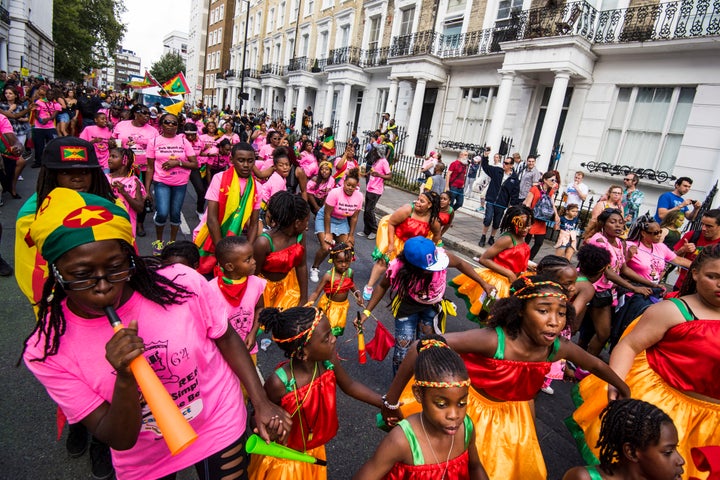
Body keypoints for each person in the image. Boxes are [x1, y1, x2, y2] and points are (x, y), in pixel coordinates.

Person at [21, 187, 291, 480]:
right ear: (56, 271)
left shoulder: (182, 282)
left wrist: (262, 402)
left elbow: (225, 337)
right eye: (82, 274)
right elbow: (119, 438)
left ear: (130, 259)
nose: (103, 286)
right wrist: (125, 378)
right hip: (146, 458)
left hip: (218, 420)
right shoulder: (46, 348)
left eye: (115, 268)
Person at [382, 275, 631, 480]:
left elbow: (597, 364)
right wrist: (390, 401)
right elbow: (420, 346)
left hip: (515, 419)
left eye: (562, 313)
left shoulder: (557, 347)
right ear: (521, 312)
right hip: (473, 412)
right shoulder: (493, 340)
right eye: (543, 311)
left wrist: (623, 388)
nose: (554, 322)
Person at [569, 244, 720, 479]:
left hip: (712, 423)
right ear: (696, 273)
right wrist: (615, 383)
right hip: (664, 409)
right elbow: (629, 345)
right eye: (713, 277)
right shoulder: (674, 311)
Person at [249, 306, 382, 479]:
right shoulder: (279, 383)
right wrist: (270, 429)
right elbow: (257, 415)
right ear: (303, 353)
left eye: (331, 333)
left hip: (314, 451)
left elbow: (349, 385)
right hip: (286, 460)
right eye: (326, 338)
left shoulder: (328, 360)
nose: (334, 340)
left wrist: (385, 402)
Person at [353, 336, 490, 480]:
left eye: (461, 403)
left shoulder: (466, 428)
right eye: (442, 405)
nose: (454, 415)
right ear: (418, 394)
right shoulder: (402, 440)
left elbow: (475, 467)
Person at [360, 236, 492, 374]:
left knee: (428, 349)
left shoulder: (442, 257)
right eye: (427, 269)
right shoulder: (398, 266)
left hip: (432, 309)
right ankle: (399, 389)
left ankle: (422, 383)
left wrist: (484, 283)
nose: (431, 270)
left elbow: (461, 264)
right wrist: (366, 312)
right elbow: (382, 286)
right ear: (412, 266)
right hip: (408, 309)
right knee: (402, 352)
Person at [15, 136, 116, 307]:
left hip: (110, 296)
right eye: (65, 172)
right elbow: (34, 273)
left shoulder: (111, 206)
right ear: (50, 175)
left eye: (85, 172)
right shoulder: (31, 217)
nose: (77, 178)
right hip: (62, 304)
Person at [581, 209, 652, 357]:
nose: (618, 225)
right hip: (592, 289)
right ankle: (581, 365)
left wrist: (651, 284)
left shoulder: (620, 243)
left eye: (620, 222)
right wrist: (633, 288)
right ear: (603, 224)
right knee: (600, 332)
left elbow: (623, 268)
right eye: (612, 222)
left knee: (589, 329)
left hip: (607, 291)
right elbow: (608, 271)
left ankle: (580, 361)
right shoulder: (599, 241)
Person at [563, 399, 684, 480]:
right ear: (631, 452)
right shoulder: (584, 478)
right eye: (668, 452)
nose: (681, 460)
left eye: (676, 449)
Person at [453, 205, 533, 323]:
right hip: (499, 284)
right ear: (513, 223)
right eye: (523, 225)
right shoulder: (507, 239)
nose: (526, 229)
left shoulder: (522, 237)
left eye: (529, 225)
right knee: (490, 319)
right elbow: (484, 259)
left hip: (514, 282)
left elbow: (515, 256)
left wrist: (529, 264)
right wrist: (509, 273)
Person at [194, 142, 261, 274]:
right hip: (210, 238)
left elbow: (253, 224)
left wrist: (248, 249)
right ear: (231, 160)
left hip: (233, 245)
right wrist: (222, 251)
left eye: (250, 161)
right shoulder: (219, 179)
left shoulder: (257, 187)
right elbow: (212, 219)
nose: (246, 165)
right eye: (241, 160)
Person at [362, 191, 442, 301]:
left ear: (429, 205)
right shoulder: (408, 210)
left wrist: (432, 246)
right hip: (397, 239)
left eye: (422, 201)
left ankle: (405, 292)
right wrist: (390, 244)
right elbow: (391, 223)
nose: (417, 202)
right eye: (418, 199)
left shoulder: (432, 220)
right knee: (383, 261)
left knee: (410, 269)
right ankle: (369, 286)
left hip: (413, 247)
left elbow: (437, 234)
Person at [145, 113, 198, 255]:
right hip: (161, 181)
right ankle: (159, 241)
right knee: (162, 212)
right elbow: (149, 167)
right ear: (161, 124)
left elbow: (195, 164)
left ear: (178, 126)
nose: (170, 125)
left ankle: (172, 242)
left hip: (180, 183)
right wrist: (147, 189)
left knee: (175, 213)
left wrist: (178, 162)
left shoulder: (184, 141)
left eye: (174, 123)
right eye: (167, 122)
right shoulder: (154, 142)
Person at [208, 236, 265, 361]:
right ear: (229, 266)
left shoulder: (256, 284)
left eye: (253, 257)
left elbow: (260, 307)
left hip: (248, 348)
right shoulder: (211, 290)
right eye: (248, 259)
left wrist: (253, 333)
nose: (254, 261)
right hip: (222, 353)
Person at [254, 191, 309, 310]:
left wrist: (304, 298)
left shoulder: (300, 236)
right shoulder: (264, 243)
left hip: (289, 288)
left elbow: (302, 266)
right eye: (306, 221)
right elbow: (253, 278)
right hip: (264, 291)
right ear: (297, 223)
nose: (307, 224)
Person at [112, 104, 160, 237]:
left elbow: (154, 151)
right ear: (135, 114)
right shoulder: (122, 125)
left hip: (143, 168)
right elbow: (114, 142)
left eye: (148, 114)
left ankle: (140, 223)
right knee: (120, 193)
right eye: (143, 113)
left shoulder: (153, 131)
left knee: (142, 195)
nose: (146, 116)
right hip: (123, 168)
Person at [310, 168, 363, 282]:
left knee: (347, 247)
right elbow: (327, 214)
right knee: (326, 247)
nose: (350, 188)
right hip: (325, 218)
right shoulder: (335, 193)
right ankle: (314, 268)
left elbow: (354, 217)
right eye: (348, 185)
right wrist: (328, 233)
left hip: (342, 220)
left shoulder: (359, 197)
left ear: (356, 187)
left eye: (353, 186)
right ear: (344, 183)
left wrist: (351, 235)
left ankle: (337, 272)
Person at [307, 242, 363, 336]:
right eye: (340, 262)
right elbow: (316, 292)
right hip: (329, 307)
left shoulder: (350, 272)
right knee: (325, 330)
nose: (344, 265)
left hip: (342, 307)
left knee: (336, 330)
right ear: (333, 260)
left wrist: (358, 294)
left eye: (347, 261)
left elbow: (351, 284)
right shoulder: (328, 276)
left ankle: (330, 345)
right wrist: (308, 305)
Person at [478, 150, 520, 247]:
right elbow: (485, 167)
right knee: (488, 218)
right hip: (491, 200)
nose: (504, 164)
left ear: (511, 165)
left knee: (497, 221)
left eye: (507, 163)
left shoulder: (515, 179)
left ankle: (492, 237)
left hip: (502, 203)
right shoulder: (497, 171)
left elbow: (515, 193)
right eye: (504, 162)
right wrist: (485, 156)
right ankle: (483, 236)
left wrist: (512, 205)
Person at [670, 208, 720, 289]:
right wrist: (683, 249)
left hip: (706, 291)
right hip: (682, 286)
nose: (703, 228)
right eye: (702, 224)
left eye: (709, 226)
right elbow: (670, 257)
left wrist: (689, 264)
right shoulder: (692, 235)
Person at [106, 147, 145, 236]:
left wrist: (124, 192)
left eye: (114, 157)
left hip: (126, 228)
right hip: (107, 226)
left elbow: (139, 208)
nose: (109, 159)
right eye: (109, 156)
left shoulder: (134, 182)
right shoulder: (104, 179)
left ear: (125, 161)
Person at [0, 87, 31, 198]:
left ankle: (11, 187)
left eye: (10, 93)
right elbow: (13, 116)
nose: (8, 95)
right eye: (6, 93)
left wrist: (18, 146)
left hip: (17, 132)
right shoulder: (2, 106)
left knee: (20, 160)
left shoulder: (2, 119)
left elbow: (14, 139)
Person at [524, 170, 561, 260]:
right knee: (525, 242)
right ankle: (520, 257)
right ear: (545, 180)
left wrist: (556, 215)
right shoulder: (534, 189)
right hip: (532, 219)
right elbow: (527, 204)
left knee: (539, 242)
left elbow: (552, 204)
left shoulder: (550, 191)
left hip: (541, 221)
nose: (554, 182)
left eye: (555, 180)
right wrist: (527, 219)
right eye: (552, 180)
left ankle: (529, 260)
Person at [359, 144, 391, 239]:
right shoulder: (376, 161)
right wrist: (365, 174)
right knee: (366, 211)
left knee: (370, 210)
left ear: (379, 152)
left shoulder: (384, 161)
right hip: (370, 187)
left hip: (376, 190)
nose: (373, 152)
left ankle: (374, 230)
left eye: (374, 151)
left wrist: (379, 175)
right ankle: (366, 231)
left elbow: (389, 176)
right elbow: (372, 171)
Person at [30, 83, 61, 168]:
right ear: (46, 94)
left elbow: (54, 116)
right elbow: (36, 114)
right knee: (38, 145)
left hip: (50, 127)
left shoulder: (57, 105)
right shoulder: (39, 102)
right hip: (39, 127)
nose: (50, 95)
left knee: (53, 144)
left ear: (54, 95)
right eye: (48, 94)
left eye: (52, 94)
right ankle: (38, 162)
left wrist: (46, 120)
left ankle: (51, 160)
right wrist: (40, 121)